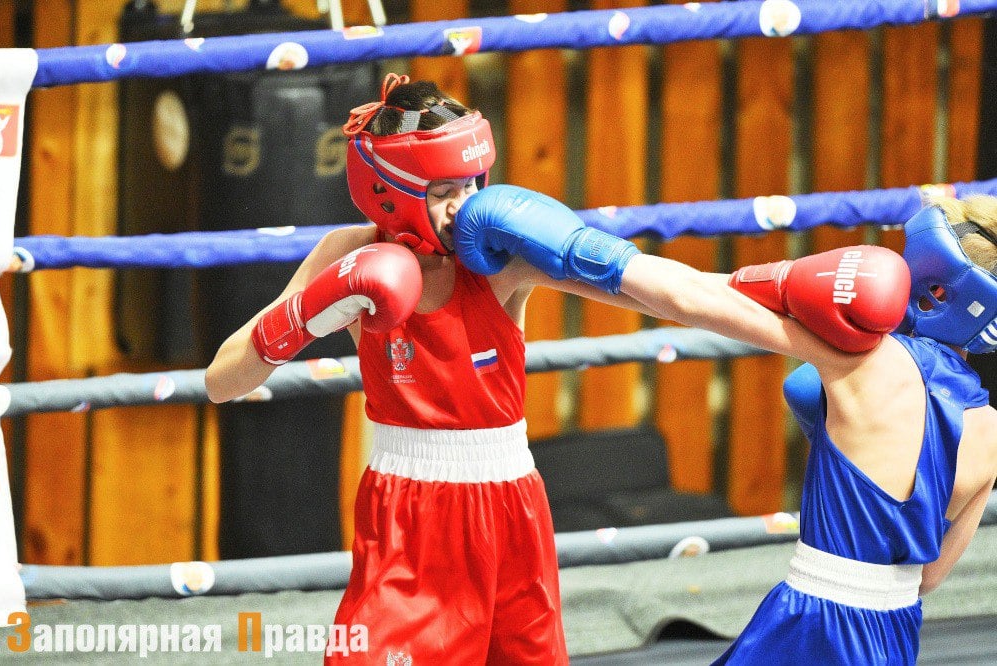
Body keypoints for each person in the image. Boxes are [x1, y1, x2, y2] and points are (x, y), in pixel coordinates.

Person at [204, 73, 657, 665]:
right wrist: (299, 318)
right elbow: (221, 381)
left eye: (472, 183)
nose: (464, 206)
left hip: (511, 503)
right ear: (389, 189)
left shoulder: (498, 258)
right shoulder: (347, 255)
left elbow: (647, 290)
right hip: (407, 508)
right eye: (445, 189)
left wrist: (761, 297)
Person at [453, 184, 997, 665]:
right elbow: (926, 577)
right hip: (894, 633)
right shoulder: (989, 431)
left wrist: (561, 253)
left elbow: (694, 298)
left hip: (813, 626)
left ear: (934, 284)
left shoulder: (864, 361)